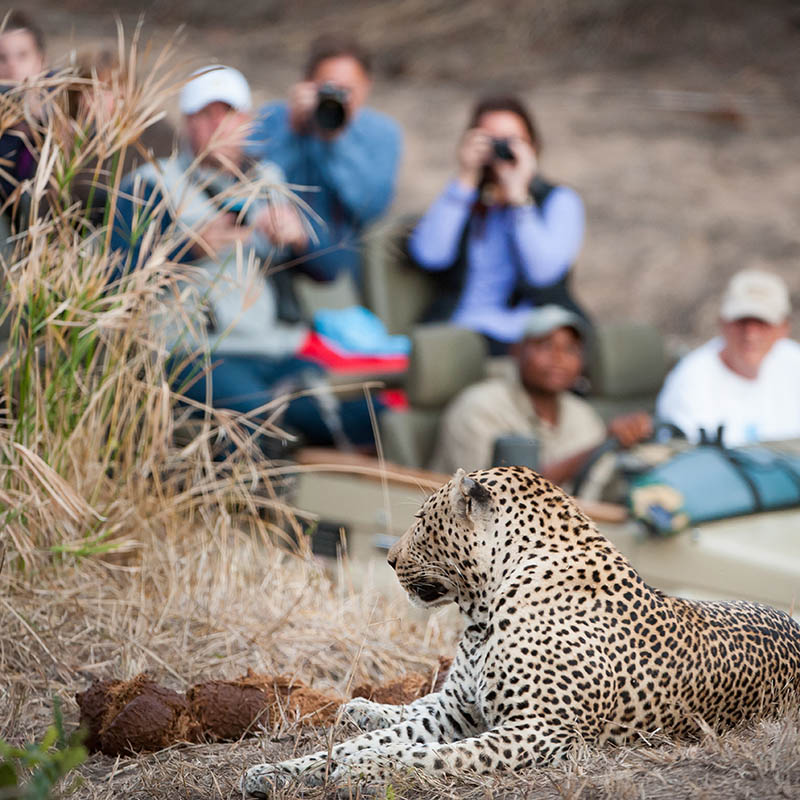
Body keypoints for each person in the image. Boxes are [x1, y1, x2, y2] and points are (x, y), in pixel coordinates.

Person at [111, 66, 380, 449]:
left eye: (230, 115)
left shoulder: (268, 180)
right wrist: (187, 248)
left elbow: (333, 270)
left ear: (249, 122)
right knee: (257, 421)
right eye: (207, 116)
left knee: (369, 415)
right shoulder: (148, 184)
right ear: (187, 122)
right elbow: (116, 281)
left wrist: (301, 238)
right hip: (196, 354)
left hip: (275, 350)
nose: (220, 127)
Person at [408, 95, 586, 355]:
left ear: (533, 146)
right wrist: (465, 177)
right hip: (460, 332)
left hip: (528, 337)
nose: (501, 149)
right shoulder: (464, 199)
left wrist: (519, 198)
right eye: (490, 140)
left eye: (512, 140)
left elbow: (544, 273)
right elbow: (430, 255)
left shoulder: (559, 201)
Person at [429, 305, 652, 490]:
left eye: (571, 349)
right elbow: (498, 502)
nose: (559, 358)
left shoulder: (583, 415)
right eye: (546, 345)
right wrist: (596, 447)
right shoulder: (479, 408)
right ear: (517, 351)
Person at [247, 33, 402, 288]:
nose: (337, 99)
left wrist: (335, 141)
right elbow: (249, 185)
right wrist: (292, 131)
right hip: (268, 253)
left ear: (367, 87)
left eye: (347, 91)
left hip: (338, 263)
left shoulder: (383, 134)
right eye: (329, 89)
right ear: (307, 84)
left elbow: (371, 209)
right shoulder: (275, 118)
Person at [656, 269, 800, 447]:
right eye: (742, 322)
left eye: (763, 324)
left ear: (783, 329)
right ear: (722, 323)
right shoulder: (691, 380)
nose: (751, 335)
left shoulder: (794, 362)